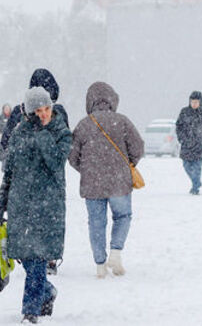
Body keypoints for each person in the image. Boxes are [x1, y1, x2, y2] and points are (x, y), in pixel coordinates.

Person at [0, 87, 72, 323]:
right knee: (25, 258)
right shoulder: (18, 134)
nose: (44, 114)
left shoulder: (61, 132)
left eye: (47, 109)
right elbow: (9, 173)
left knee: (37, 259)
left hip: (48, 208)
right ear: (29, 112)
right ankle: (47, 291)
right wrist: (1, 202)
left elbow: (56, 163)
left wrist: (43, 134)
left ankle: (30, 312)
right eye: (38, 111)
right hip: (21, 205)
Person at [69, 82, 144, 279]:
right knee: (122, 216)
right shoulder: (122, 121)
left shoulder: (84, 124)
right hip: (119, 181)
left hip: (92, 184)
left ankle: (100, 265)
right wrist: (127, 164)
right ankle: (116, 253)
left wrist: (86, 169)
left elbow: (72, 156)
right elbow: (138, 147)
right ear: (113, 99)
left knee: (96, 223)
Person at [0, 69, 70, 163]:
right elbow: (68, 144)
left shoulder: (18, 111)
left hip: (24, 171)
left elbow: (5, 142)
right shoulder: (58, 111)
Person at [176, 91, 202, 195]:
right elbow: (179, 126)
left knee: (197, 167)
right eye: (192, 101)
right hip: (186, 144)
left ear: (200, 102)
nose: (194, 104)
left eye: (196, 102)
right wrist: (182, 138)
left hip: (199, 145)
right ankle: (196, 182)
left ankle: (195, 187)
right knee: (186, 166)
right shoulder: (184, 112)